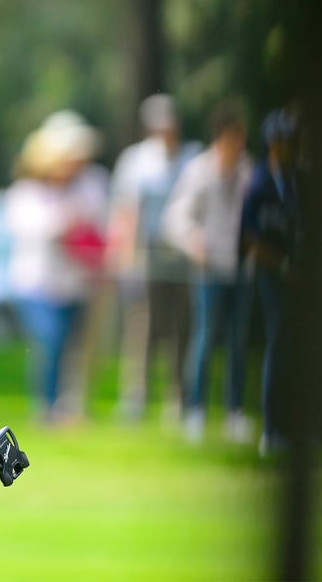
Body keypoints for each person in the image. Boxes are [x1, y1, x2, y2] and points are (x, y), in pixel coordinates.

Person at [4, 111, 108, 423]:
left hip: (75, 284)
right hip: (36, 285)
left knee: (71, 350)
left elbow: (99, 224)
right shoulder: (26, 192)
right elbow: (34, 229)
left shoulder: (90, 184)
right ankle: (46, 407)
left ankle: (68, 407)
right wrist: (67, 222)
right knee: (50, 342)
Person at [108, 92, 202, 423]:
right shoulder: (136, 160)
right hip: (146, 253)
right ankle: (137, 393)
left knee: (182, 325)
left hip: (182, 255)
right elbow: (125, 210)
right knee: (143, 325)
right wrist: (125, 256)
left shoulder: (191, 156)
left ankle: (180, 396)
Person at [162, 105, 253, 443]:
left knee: (238, 341)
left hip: (241, 268)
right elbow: (175, 218)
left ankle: (234, 411)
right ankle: (196, 409)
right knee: (205, 337)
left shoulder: (247, 171)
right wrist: (193, 240)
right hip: (209, 269)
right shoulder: (199, 171)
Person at [240, 109, 298, 453]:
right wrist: (282, 263)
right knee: (276, 345)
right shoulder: (260, 182)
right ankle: (272, 427)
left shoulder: (295, 180)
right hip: (270, 277)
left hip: (295, 277)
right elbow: (251, 237)